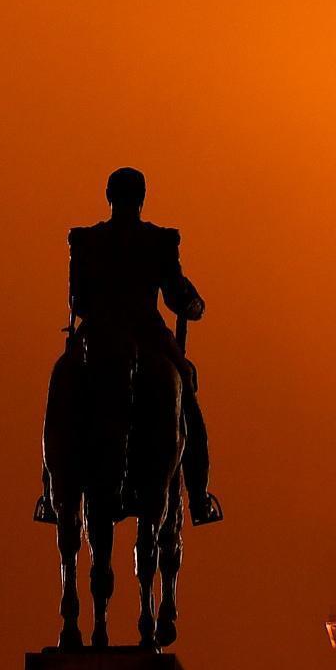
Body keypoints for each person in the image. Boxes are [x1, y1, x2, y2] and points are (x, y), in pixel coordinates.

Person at [66, 167, 221, 524]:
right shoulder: (158, 241)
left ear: (108, 197)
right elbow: (175, 295)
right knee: (189, 400)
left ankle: (52, 487)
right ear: (142, 199)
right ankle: (198, 497)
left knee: (64, 386)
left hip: (99, 334)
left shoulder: (87, 241)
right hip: (146, 333)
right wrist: (194, 305)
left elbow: (78, 302)